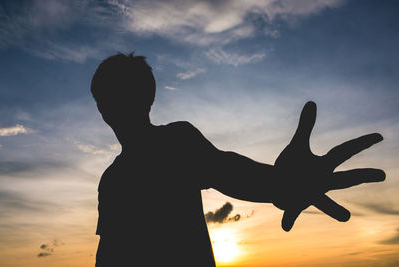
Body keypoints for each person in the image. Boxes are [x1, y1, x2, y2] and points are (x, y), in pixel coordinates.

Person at [91, 52, 385, 266]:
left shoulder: (175, 142)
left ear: (147, 97)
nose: (110, 106)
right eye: (106, 97)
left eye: (117, 95)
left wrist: (287, 183)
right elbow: (109, 254)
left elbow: (230, 172)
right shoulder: (112, 179)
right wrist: (284, 185)